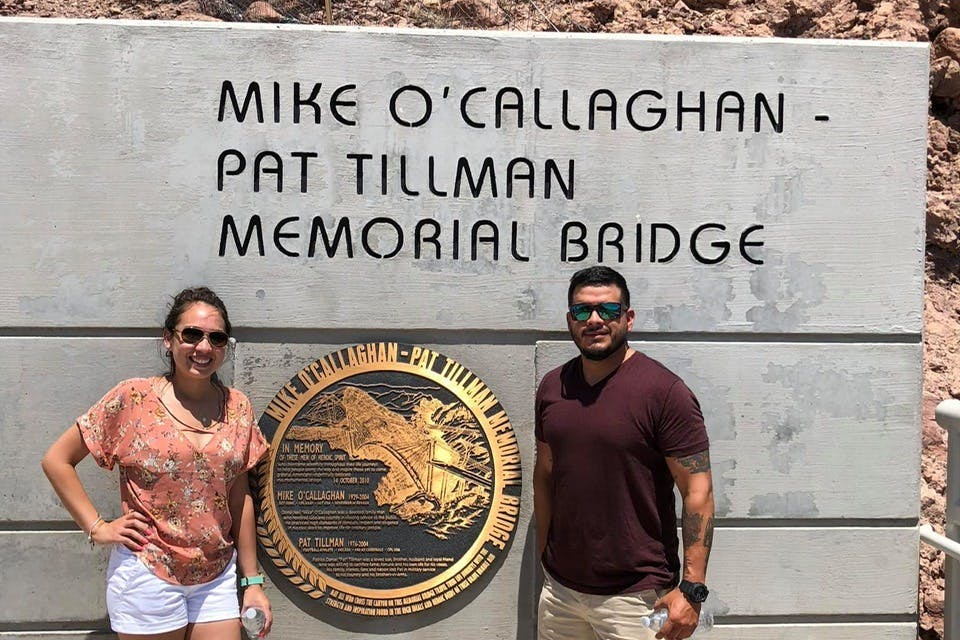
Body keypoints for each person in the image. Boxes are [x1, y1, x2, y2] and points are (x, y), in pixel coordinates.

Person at [41, 287, 273, 640]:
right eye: (192, 335)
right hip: (147, 574)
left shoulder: (237, 407)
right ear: (169, 339)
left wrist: (252, 580)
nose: (204, 347)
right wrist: (98, 527)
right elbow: (57, 460)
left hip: (216, 576)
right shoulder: (133, 398)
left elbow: (239, 497)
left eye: (217, 337)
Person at [534, 266, 715, 640]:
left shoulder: (664, 393)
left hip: (638, 598)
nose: (595, 320)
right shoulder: (553, 388)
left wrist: (692, 591)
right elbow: (546, 476)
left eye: (608, 311)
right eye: (583, 311)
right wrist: (544, 563)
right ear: (570, 320)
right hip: (561, 596)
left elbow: (698, 494)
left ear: (628, 318)